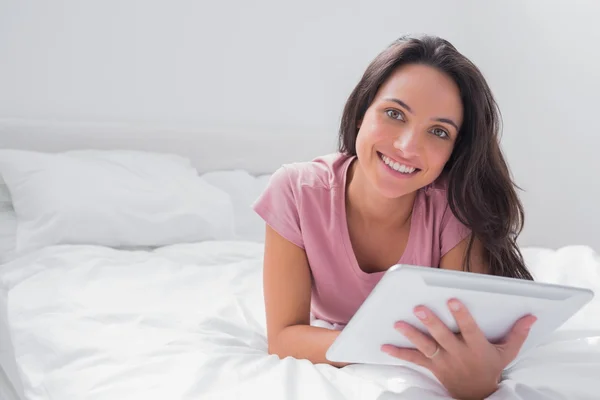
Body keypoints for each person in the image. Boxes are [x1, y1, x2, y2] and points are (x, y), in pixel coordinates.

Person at [252, 34, 537, 400]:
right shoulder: (296, 191)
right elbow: (285, 335)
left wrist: (479, 381)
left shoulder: (456, 209)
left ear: (454, 152)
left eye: (438, 131)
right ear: (360, 115)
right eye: (394, 114)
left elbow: (461, 347)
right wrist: (400, 350)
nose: (407, 147)